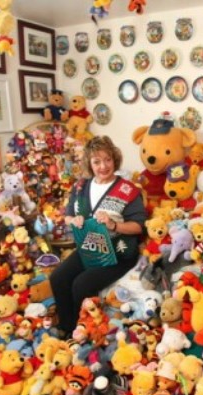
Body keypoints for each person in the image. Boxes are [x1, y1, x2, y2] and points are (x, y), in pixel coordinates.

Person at [50, 136, 146, 337]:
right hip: (90, 247)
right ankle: (68, 329)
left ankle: (84, 331)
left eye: (108, 160)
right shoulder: (81, 186)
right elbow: (67, 215)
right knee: (58, 278)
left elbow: (138, 227)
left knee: (81, 284)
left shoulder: (128, 189)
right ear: (89, 163)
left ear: (115, 159)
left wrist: (114, 225)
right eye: (97, 161)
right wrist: (73, 220)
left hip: (118, 252)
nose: (103, 166)